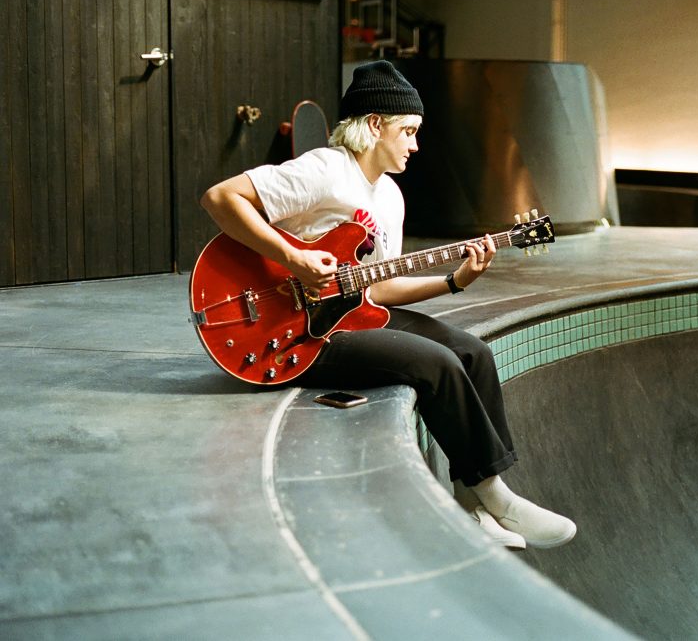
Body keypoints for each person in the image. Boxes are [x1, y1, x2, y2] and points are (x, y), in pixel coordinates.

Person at [200, 60, 576, 550]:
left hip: (351, 315)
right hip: (296, 332)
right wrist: (294, 257)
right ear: (375, 125)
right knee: (436, 364)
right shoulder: (326, 169)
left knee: (471, 353)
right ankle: (498, 498)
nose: (415, 145)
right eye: (408, 131)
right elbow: (219, 198)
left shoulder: (391, 198)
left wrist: (454, 281)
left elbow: (377, 287)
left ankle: (476, 504)